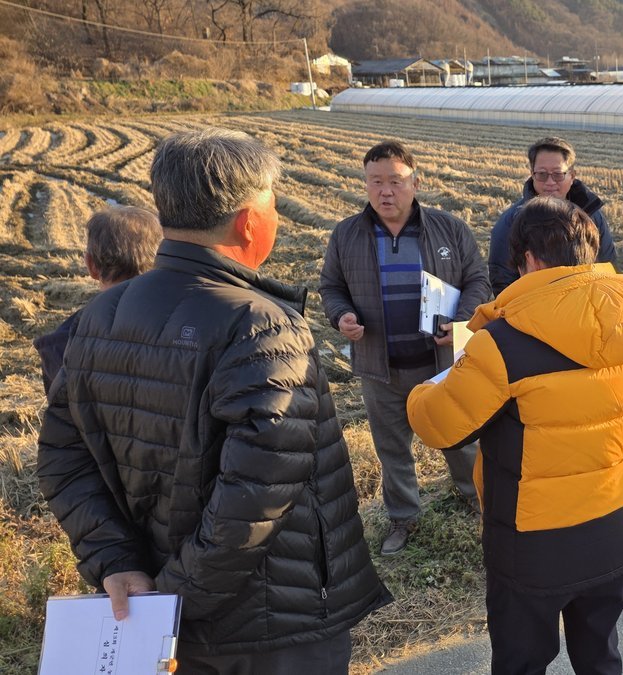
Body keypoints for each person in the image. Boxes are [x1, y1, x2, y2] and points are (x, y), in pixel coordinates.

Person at [37, 128, 391, 670]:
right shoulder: (260, 325)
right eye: (272, 203)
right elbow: (259, 492)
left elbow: (63, 456)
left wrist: (118, 563)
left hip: (163, 613)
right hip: (273, 625)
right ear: (249, 220)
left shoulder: (100, 315)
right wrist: (177, 596)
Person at [407, 196, 623, 674]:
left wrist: (423, 390)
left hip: (532, 546)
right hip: (613, 526)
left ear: (528, 259)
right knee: (600, 656)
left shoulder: (502, 344)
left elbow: (438, 426)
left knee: (520, 663)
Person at [320, 140, 490, 555]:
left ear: (416, 182)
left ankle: (475, 496)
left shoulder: (449, 228)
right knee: (392, 448)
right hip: (381, 367)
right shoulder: (347, 234)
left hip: (440, 362)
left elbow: (478, 280)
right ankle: (403, 518)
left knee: (458, 435)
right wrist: (341, 315)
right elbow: (331, 287)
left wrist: (460, 319)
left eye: (395, 181)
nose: (385, 191)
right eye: (375, 181)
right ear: (365, 184)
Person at [33, 205, 161, 395]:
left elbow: (60, 411)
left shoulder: (61, 346)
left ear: (90, 265)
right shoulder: (189, 328)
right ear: (159, 260)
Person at [488, 136, 617, 295]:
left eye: (557, 174)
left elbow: (607, 267)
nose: (549, 182)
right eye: (542, 174)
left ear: (572, 176)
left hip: (586, 302)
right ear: (532, 175)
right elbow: (504, 282)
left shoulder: (591, 215)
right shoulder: (511, 222)